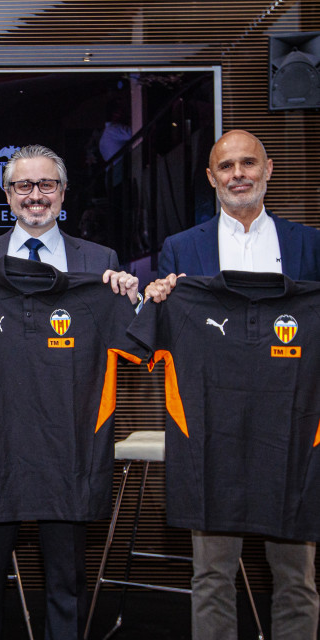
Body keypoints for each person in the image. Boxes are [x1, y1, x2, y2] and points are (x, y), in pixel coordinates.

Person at [0, 144, 139, 640]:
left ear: (64, 192)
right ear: (8, 194)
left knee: (66, 579)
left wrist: (131, 300)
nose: (36, 195)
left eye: (47, 184)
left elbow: (130, 341)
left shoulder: (101, 261)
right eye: (24, 185)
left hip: (69, 445)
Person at [144, 129, 320, 640]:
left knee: (297, 579)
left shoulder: (310, 245)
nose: (238, 174)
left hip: (290, 434)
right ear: (211, 177)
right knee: (212, 576)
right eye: (226, 166)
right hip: (212, 434)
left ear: (268, 170)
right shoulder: (181, 249)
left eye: (248, 163)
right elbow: (161, 333)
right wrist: (156, 297)